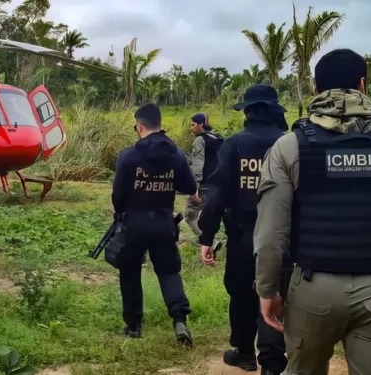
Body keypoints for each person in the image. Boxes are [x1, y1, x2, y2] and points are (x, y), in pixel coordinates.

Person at [254, 48, 371, 375]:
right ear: (363, 85)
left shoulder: (290, 146)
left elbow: (271, 236)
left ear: (315, 90)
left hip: (312, 292)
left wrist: (267, 289)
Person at [197, 84, 290, 374]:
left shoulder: (235, 144)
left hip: (242, 233)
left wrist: (207, 237)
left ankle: (245, 352)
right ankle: (273, 360)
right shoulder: (289, 143)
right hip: (284, 236)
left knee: (241, 292)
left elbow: (216, 195)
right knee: (274, 290)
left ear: (248, 111)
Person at [111, 103, 197, 346]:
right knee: (169, 272)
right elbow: (190, 187)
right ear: (160, 125)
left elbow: (118, 197)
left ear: (139, 126)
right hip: (163, 224)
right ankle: (180, 321)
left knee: (129, 272)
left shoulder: (127, 156)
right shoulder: (176, 154)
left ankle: (133, 326)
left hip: (134, 225)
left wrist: (125, 210)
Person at [185, 113, 224, 252]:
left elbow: (198, 165)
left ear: (201, 124)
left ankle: (210, 242)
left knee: (190, 215)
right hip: (218, 185)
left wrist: (194, 187)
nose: (191, 128)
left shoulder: (200, 141)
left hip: (204, 184)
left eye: (193, 125)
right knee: (213, 214)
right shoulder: (218, 138)